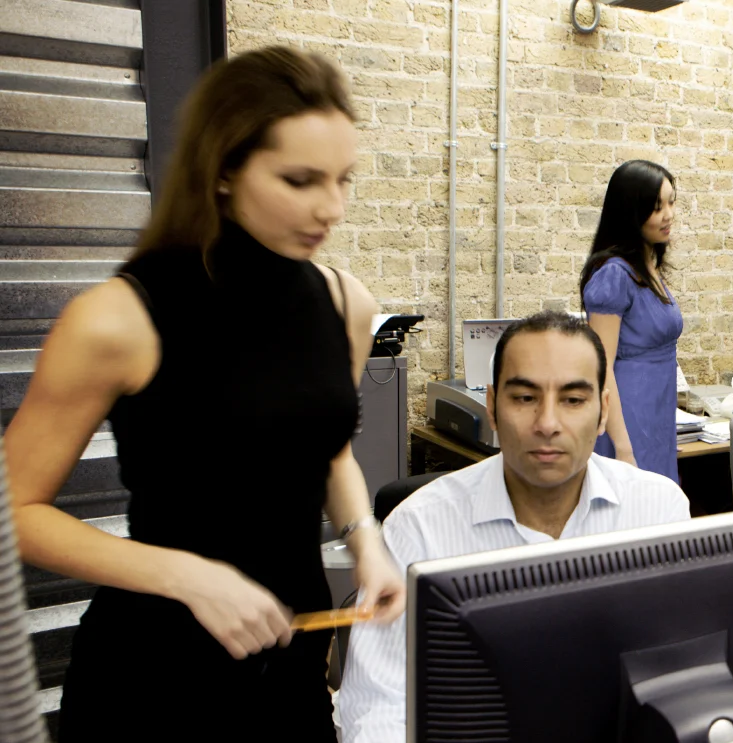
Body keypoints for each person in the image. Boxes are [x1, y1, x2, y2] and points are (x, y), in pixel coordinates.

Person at [4, 47, 404, 741]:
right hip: (154, 680)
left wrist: (365, 539)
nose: (332, 208)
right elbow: (17, 510)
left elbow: (323, 443)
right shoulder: (116, 317)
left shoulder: (345, 302)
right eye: (300, 180)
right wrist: (187, 574)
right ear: (223, 170)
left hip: (294, 664)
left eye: (343, 179)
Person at [338, 311, 691, 742]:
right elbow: (376, 706)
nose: (547, 423)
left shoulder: (658, 510)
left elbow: (681, 678)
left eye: (573, 400)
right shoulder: (419, 528)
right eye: (524, 398)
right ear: (491, 406)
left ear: (604, 412)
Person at [580, 160, 684, 482]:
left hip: (657, 415)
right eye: (656, 207)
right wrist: (623, 447)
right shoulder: (614, 274)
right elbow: (602, 366)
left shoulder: (646, 266)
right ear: (630, 212)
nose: (668, 214)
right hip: (628, 415)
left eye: (671, 202)